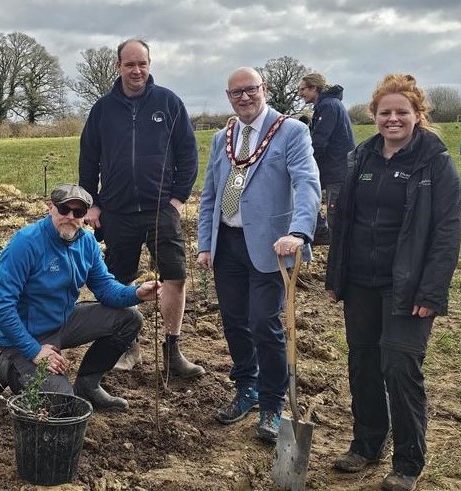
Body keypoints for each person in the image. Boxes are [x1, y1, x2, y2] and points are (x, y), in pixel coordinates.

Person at [325, 74, 461, 491]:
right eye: (385, 112)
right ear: (374, 115)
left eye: (402, 111)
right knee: (363, 362)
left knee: (399, 366)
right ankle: (366, 444)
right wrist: (337, 273)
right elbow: (344, 221)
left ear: (419, 115)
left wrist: (432, 290)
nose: (393, 118)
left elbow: (447, 229)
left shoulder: (434, 162)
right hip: (361, 282)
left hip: (409, 286)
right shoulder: (361, 157)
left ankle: (408, 461)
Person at [197, 67, 321, 442]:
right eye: (236, 93)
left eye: (250, 89)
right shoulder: (224, 138)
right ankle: (246, 389)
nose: (244, 97)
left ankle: (271, 403)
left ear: (264, 89)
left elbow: (306, 182)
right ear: (229, 97)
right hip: (228, 247)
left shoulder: (291, 132)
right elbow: (210, 195)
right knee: (235, 322)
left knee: (264, 324)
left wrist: (298, 232)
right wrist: (206, 243)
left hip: (271, 246)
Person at [79, 38, 204, 379]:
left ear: (150, 65)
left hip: (160, 207)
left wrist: (178, 199)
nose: (136, 70)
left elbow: (188, 154)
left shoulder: (168, 102)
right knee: (120, 278)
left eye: (142, 64)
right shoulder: (103, 110)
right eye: (129, 64)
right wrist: (93, 203)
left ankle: (173, 350)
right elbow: (88, 159)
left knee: (175, 276)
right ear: (118, 67)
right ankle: (127, 344)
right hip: (117, 210)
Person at [0, 184, 161, 411]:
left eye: (78, 212)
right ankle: (4, 365)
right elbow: (0, 307)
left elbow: (106, 289)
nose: (70, 217)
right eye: (64, 209)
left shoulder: (86, 243)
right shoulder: (25, 244)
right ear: (50, 208)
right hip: (27, 335)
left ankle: (88, 385)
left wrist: (136, 293)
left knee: (130, 318)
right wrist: (34, 351)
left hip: (63, 322)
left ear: (85, 215)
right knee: (61, 404)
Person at [298, 73, 355, 244]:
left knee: (335, 214)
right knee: (304, 193)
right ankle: (321, 230)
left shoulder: (329, 106)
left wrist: (303, 160)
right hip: (329, 167)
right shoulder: (326, 105)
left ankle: (337, 249)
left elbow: (320, 141)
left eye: (303, 89)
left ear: (314, 88)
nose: (300, 93)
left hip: (337, 169)